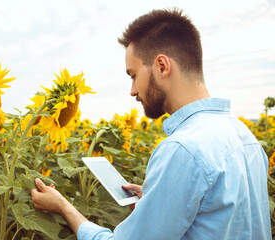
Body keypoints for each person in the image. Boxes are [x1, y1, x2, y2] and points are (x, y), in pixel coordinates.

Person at [31, 8, 271, 239]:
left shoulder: (183, 149)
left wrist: (65, 208)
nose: (133, 91)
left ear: (162, 66)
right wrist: (156, 202)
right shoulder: (245, 137)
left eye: (133, 75)